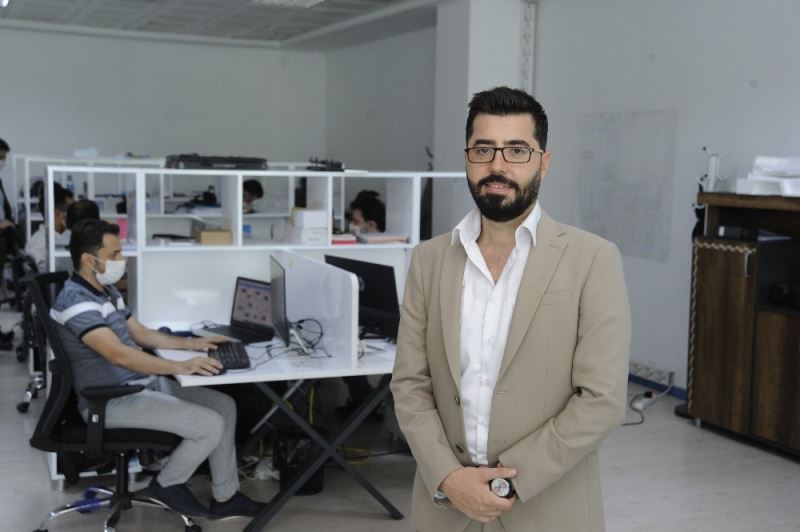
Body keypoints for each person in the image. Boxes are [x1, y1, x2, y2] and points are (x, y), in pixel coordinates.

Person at [390, 87, 631, 532]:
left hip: (548, 509)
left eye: (517, 150)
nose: (497, 166)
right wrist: (449, 477)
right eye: (483, 149)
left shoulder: (592, 259)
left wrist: (506, 484)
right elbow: (409, 384)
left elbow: (603, 400)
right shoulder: (429, 260)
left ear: (543, 162)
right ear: (467, 158)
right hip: (445, 508)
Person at [51, 219, 266, 519]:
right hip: (109, 400)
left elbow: (140, 334)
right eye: (114, 254)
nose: (122, 259)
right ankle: (166, 485)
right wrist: (179, 366)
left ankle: (226, 497)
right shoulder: (76, 302)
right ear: (89, 260)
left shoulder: (105, 290)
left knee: (224, 406)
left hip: (139, 385)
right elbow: (118, 355)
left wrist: (193, 344)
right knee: (210, 425)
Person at [25, 183, 74, 271]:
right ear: (60, 215)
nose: (77, 214)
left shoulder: (66, 235)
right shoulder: (39, 245)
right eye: (73, 211)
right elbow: (49, 276)